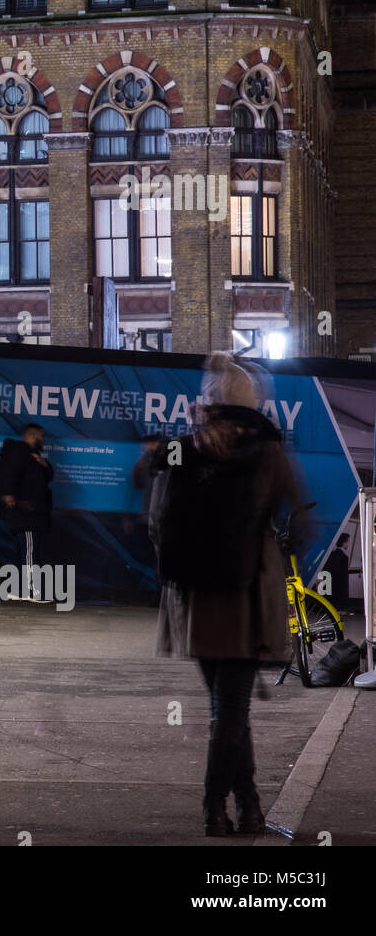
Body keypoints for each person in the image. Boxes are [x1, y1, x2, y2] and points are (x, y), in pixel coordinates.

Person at [153, 352, 304, 838]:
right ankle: (215, 809)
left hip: (194, 602)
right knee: (231, 711)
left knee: (226, 710)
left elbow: (157, 522)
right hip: (246, 600)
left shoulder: (181, 449)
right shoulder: (268, 452)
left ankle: (249, 806)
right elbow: (301, 521)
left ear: (209, 404)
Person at [0, 422, 54, 601]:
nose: (43, 439)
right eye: (41, 436)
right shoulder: (18, 454)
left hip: (32, 513)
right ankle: (30, 591)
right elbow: (8, 476)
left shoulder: (33, 458)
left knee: (26, 551)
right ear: (33, 436)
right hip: (25, 515)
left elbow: (47, 478)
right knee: (29, 552)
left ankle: (18, 590)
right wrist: (9, 496)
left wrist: (44, 464)